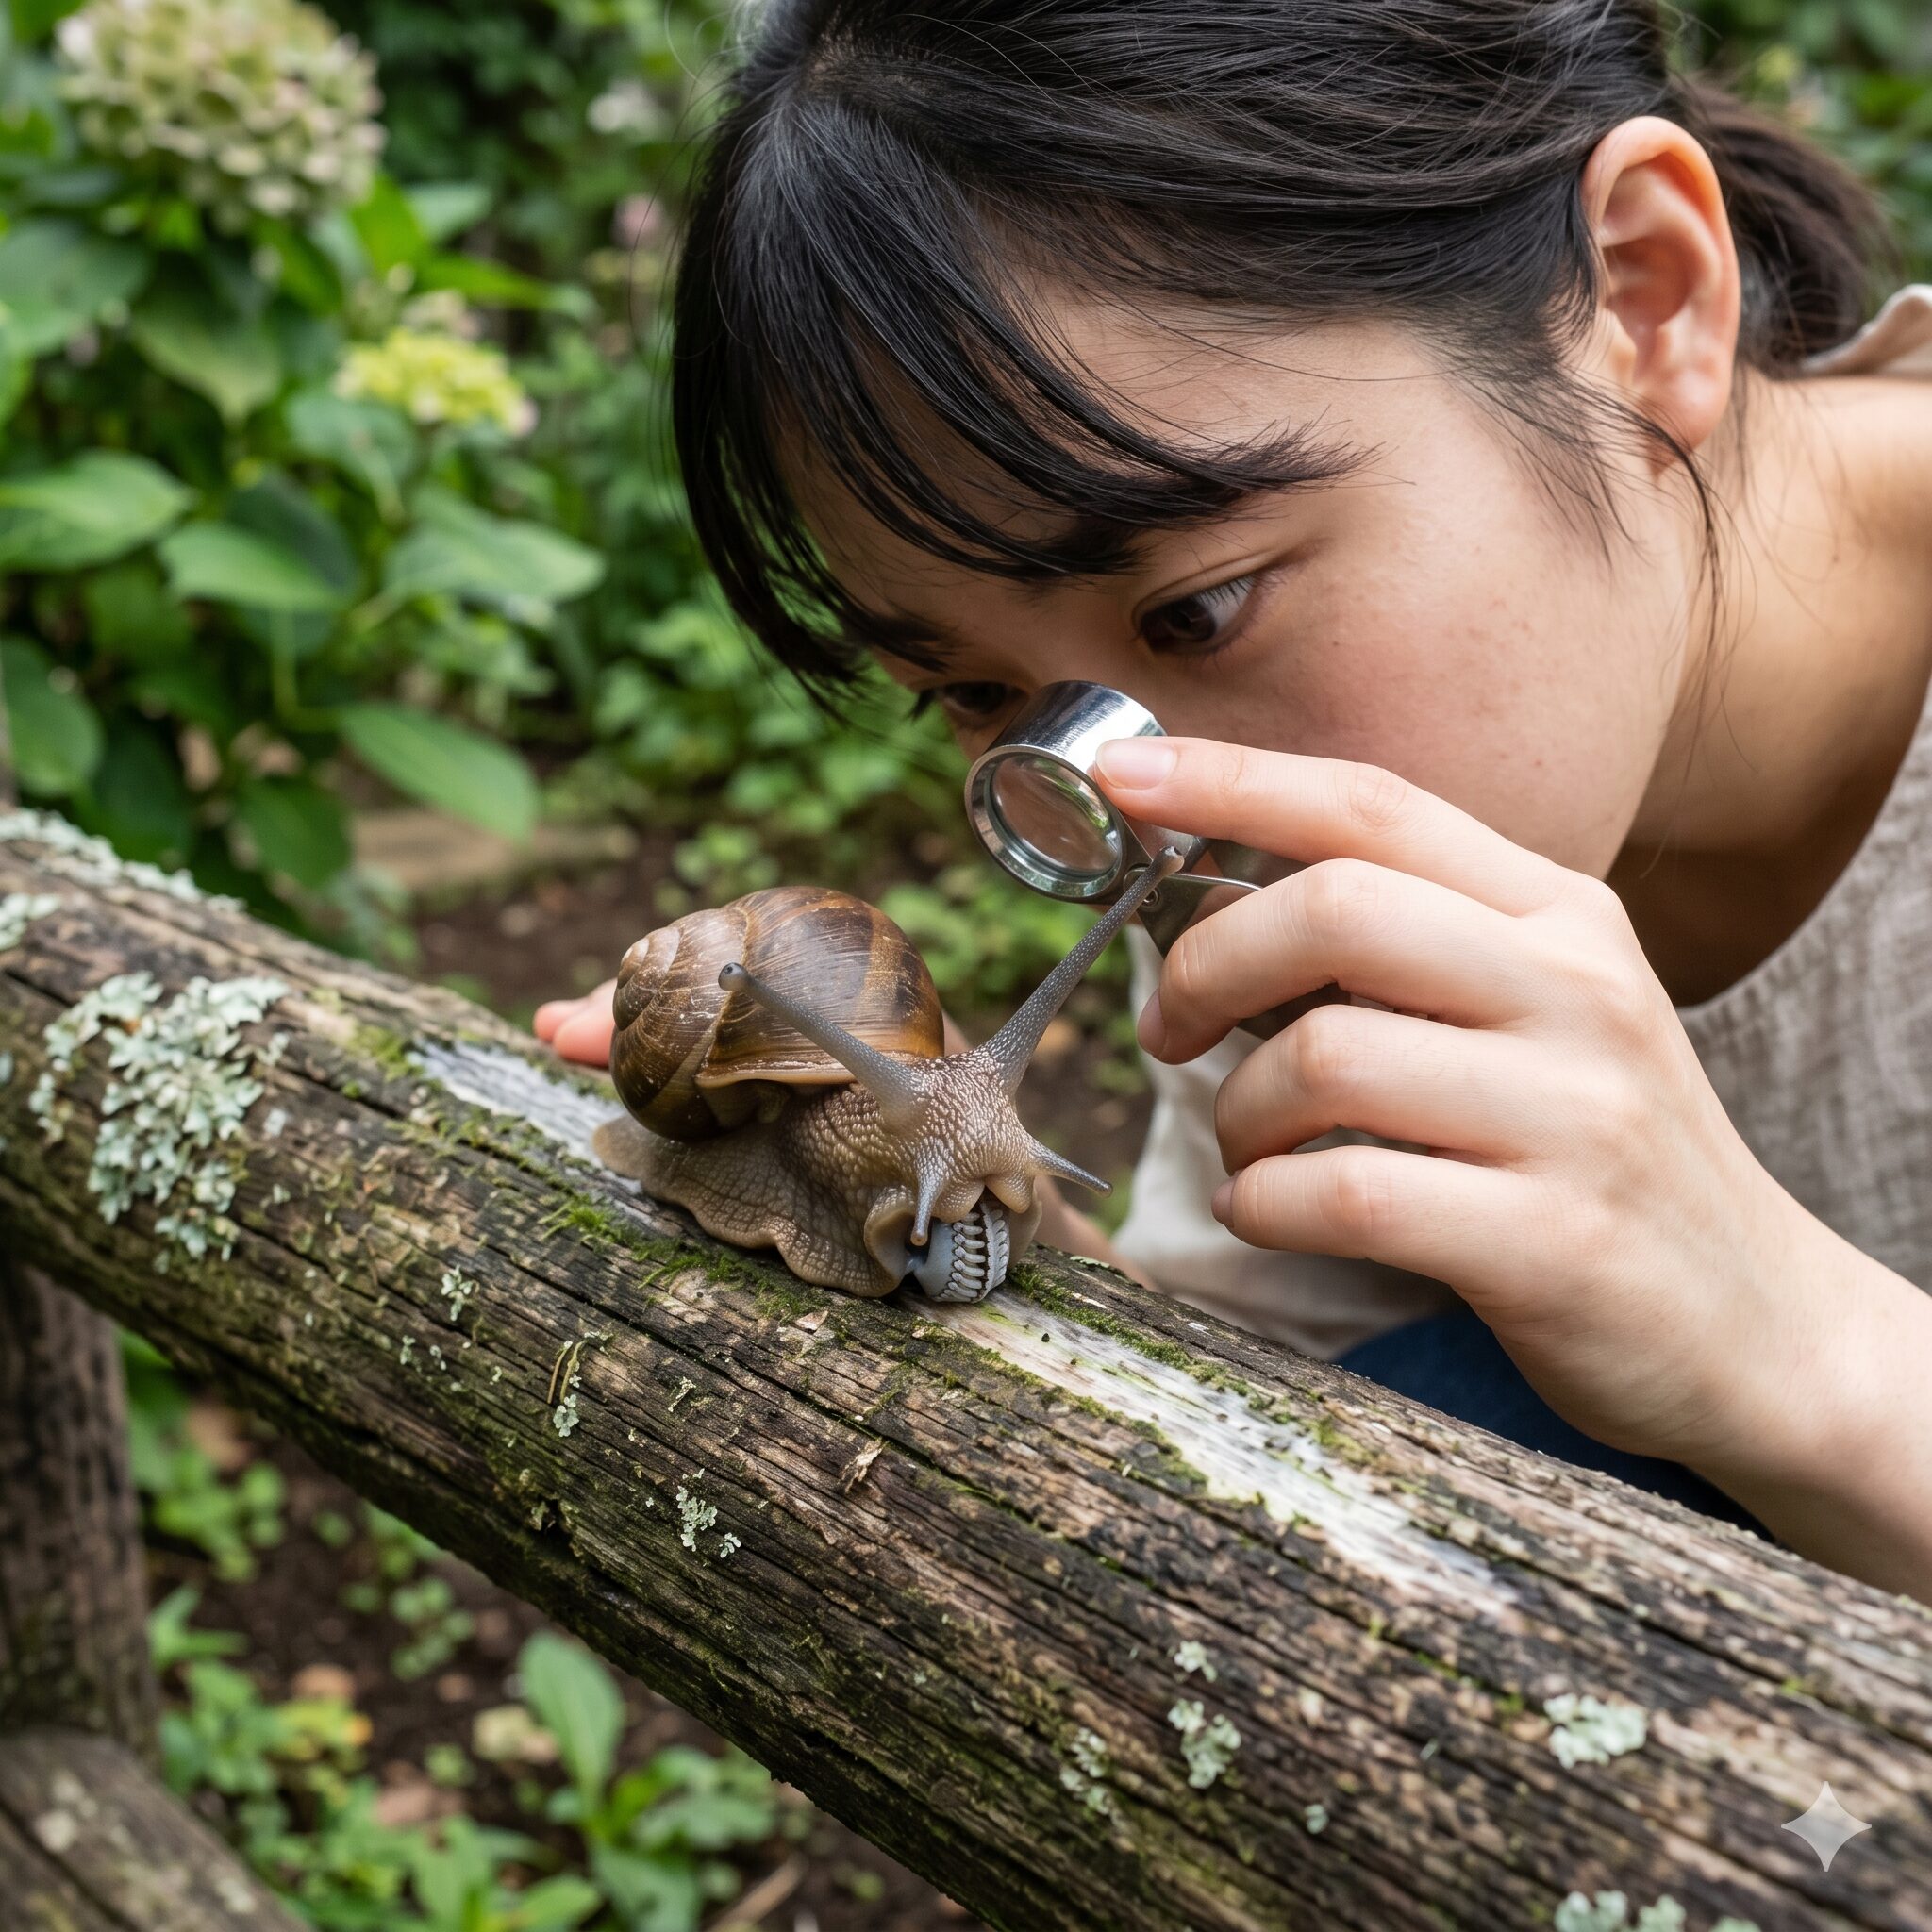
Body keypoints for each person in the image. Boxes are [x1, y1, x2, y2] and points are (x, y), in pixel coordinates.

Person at [535, 0, 1932, 1601]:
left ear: (1642, 294)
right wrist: (991, 1263)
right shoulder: (1242, 820)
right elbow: (1313, 1409)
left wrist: (1801, 1348)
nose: (1128, 816)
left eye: (1196, 611)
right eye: (985, 698)